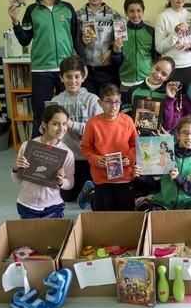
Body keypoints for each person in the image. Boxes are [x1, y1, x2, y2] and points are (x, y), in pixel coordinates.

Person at [8, 0, 81, 138]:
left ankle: (70, 152)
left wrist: (80, 65)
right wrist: (16, 22)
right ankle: (37, 155)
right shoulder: (32, 10)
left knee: (68, 112)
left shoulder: (67, 8)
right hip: (41, 70)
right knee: (41, 113)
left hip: (66, 70)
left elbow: (75, 38)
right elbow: (25, 39)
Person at [50, 55, 102, 204]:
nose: (73, 81)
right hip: (66, 158)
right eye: (68, 77)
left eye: (77, 76)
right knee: (66, 197)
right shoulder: (55, 102)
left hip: (87, 158)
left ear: (83, 77)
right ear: (61, 78)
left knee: (90, 193)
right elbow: (50, 133)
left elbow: (98, 131)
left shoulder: (93, 100)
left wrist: (73, 125)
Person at [11, 105, 75, 219]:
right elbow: (17, 180)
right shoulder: (27, 146)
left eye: (64, 124)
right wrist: (16, 168)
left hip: (53, 206)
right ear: (44, 125)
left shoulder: (67, 153)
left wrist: (60, 182)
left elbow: (70, 184)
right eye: (55, 124)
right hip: (26, 205)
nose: (61, 128)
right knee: (31, 236)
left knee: (52, 236)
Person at [81, 84, 137, 211]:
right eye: (109, 102)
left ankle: (92, 195)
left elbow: (135, 145)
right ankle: (92, 196)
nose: (114, 106)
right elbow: (85, 148)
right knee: (104, 213)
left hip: (125, 177)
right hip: (102, 178)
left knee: (126, 212)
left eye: (117, 102)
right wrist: (95, 159)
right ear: (100, 103)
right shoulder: (92, 124)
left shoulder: (127, 121)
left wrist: (130, 158)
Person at [135, 116, 191, 210]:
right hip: (163, 204)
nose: (189, 137)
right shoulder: (164, 151)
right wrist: (140, 175)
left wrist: (179, 179)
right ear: (178, 135)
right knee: (146, 211)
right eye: (185, 132)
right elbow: (152, 181)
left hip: (187, 207)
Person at [77, 0, 122, 94]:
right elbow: (73, 41)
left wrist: (112, 51)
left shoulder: (114, 15)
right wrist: (82, 41)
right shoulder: (78, 15)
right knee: (89, 105)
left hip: (107, 70)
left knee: (108, 103)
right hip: (86, 70)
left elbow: (121, 39)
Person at [155, 0, 191, 86]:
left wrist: (190, 46)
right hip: (170, 69)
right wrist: (175, 34)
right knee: (172, 101)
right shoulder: (162, 17)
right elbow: (159, 48)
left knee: (189, 101)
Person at [119, 0, 157, 108]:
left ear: (143, 11)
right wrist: (114, 50)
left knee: (145, 115)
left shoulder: (150, 31)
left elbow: (155, 56)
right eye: (131, 11)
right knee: (127, 113)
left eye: (138, 10)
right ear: (126, 12)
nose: (135, 14)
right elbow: (116, 58)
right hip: (126, 81)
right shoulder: (120, 32)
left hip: (146, 81)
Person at [128, 57, 178, 135]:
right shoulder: (133, 90)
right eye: (157, 69)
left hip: (156, 141)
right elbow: (125, 117)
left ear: (167, 78)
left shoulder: (169, 95)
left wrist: (170, 99)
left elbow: (168, 126)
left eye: (164, 74)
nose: (158, 75)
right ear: (152, 66)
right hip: (133, 137)